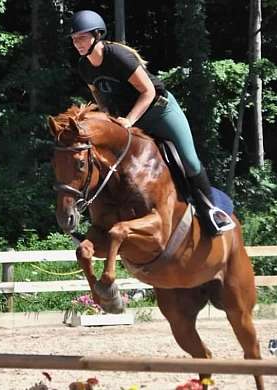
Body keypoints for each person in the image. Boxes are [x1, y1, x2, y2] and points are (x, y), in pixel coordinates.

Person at [70, 10, 234, 235]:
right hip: (129, 122)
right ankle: (101, 222)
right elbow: (99, 95)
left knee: (189, 160)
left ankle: (212, 211)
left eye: (81, 37)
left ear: (97, 35)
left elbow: (147, 92)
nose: (76, 42)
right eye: (74, 38)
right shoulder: (84, 66)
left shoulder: (117, 56)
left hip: (160, 112)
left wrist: (128, 120)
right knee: (106, 162)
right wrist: (108, 117)